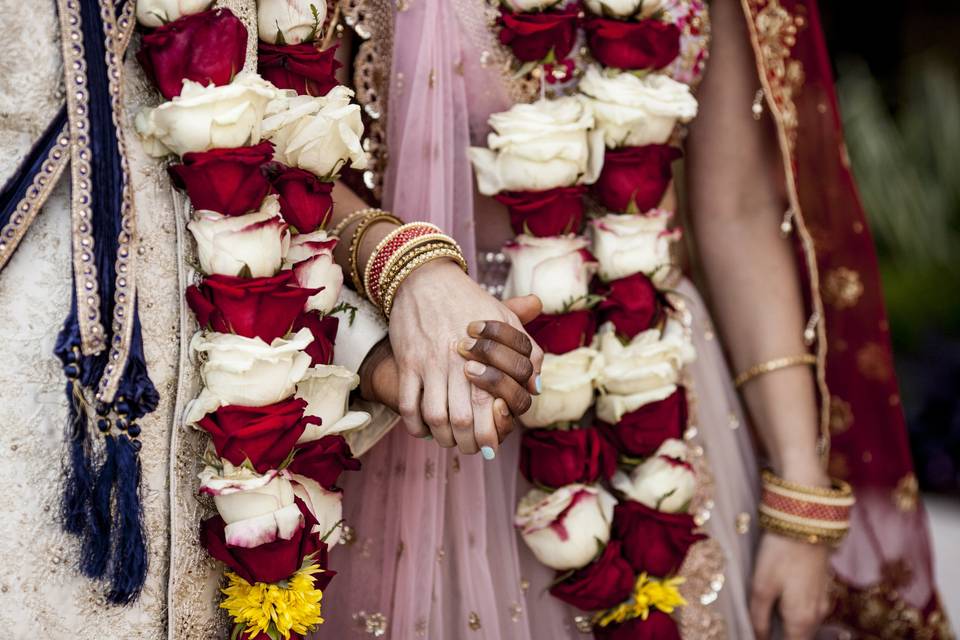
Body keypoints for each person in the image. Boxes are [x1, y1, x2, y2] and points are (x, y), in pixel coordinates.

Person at [0, 1, 947, 640]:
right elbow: (253, 149)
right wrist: (407, 269)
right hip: (383, 400)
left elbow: (736, 212)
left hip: (644, 414)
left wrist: (802, 500)